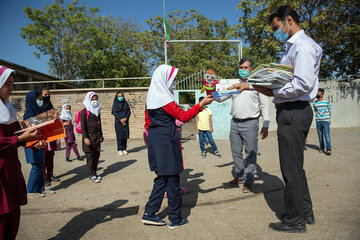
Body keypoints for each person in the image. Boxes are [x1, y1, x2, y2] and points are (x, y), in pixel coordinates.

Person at [230, 5, 322, 233]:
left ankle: (295, 221)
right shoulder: (294, 47)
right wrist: (253, 85)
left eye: (276, 27)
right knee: (295, 168)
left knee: (291, 170)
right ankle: (304, 213)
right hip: (291, 110)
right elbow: (282, 80)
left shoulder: (303, 47)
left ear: (288, 20)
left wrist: (274, 93)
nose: (275, 32)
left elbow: (302, 84)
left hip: (294, 111)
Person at [141, 64, 213, 229]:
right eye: (172, 79)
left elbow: (148, 122)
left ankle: (149, 213)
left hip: (156, 141)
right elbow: (184, 116)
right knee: (173, 180)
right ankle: (175, 218)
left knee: (162, 179)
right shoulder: (164, 100)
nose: (174, 83)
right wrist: (200, 104)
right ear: (164, 80)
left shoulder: (151, 98)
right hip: (166, 142)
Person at [0, 66, 45, 240]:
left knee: (12, 219)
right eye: (8, 84)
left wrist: (35, 142)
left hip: (10, 172)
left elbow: (19, 135)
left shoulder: (8, 111)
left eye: (13, 84)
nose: (12, 89)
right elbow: (15, 139)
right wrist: (19, 140)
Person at [217, 58, 270, 193]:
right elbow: (220, 98)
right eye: (241, 67)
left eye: (246, 68)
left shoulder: (257, 85)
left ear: (251, 69)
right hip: (235, 123)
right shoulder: (235, 85)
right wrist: (210, 88)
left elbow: (264, 105)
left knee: (250, 153)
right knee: (236, 152)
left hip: (250, 123)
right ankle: (239, 176)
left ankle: (248, 180)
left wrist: (266, 123)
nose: (243, 70)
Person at [23, 89, 50, 198]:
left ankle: (40, 189)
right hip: (32, 144)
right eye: (38, 99)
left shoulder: (39, 112)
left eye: (41, 99)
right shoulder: (28, 114)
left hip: (40, 142)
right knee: (36, 166)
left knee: (40, 165)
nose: (40, 101)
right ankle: (31, 190)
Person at [39, 87, 60, 186]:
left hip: (51, 136)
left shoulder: (51, 107)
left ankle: (50, 174)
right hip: (42, 136)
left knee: (51, 155)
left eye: (48, 94)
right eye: (45, 95)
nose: (47, 96)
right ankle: (42, 177)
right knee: (43, 156)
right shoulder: (38, 108)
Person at [81, 92, 104, 183]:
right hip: (89, 138)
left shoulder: (97, 110)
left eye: (96, 99)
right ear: (88, 100)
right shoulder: (85, 111)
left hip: (96, 137)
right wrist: (85, 138)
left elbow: (99, 123)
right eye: (93, 99)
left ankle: (94, 172)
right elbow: (83, 126)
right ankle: (91, 174)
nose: (95, 101)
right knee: (90, 157)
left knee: (96, 156)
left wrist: (101, 134)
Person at [111, 91, 131, 156]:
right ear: (116, 97)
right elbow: (114, 112)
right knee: (119, 136)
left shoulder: (125, 103)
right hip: (118, 122)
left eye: (121, 96)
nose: (120, 97)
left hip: (125, 121)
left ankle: (124, 149)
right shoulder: (115, 104)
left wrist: (125, 118)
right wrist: (120, 119)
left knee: (125, 135)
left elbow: (129, 112)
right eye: (119, 96)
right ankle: (119, 149)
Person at [313, 88, 332, 155]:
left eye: (318, 93)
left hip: (325, 120)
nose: (317, 95)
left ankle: (328, 149)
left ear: (322, 94)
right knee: (320, 135)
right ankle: (321, 147)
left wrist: (329, 119)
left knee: (327, 135)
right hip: (318, 121)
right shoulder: (315, 103)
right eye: (317, 93)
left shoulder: (327, 101)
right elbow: (315, 111)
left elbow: (329, 111)